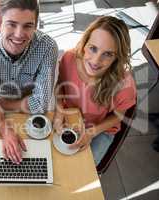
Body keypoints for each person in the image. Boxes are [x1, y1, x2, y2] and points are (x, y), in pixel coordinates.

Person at [0, 0, 58, 164]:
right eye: (12, 24)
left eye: (27, 26)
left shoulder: (48, 47)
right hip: (4, 105)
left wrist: (4, 105)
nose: (19, 34)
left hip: (25, 106)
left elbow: (41, 104)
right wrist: (6, 130)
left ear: (35, 26)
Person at [53, 16, 137, 165]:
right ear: (84, 45)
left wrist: (91, 133)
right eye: (93, 48)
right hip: (70, 116)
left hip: (100, 129)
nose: (96, 61)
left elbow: (118, 117)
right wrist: (60, 112)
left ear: (117, 57)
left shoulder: (125, 85)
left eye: (108, 54)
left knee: (82, 169)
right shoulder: (68, 59)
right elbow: (60, 86)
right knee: (55, 161)